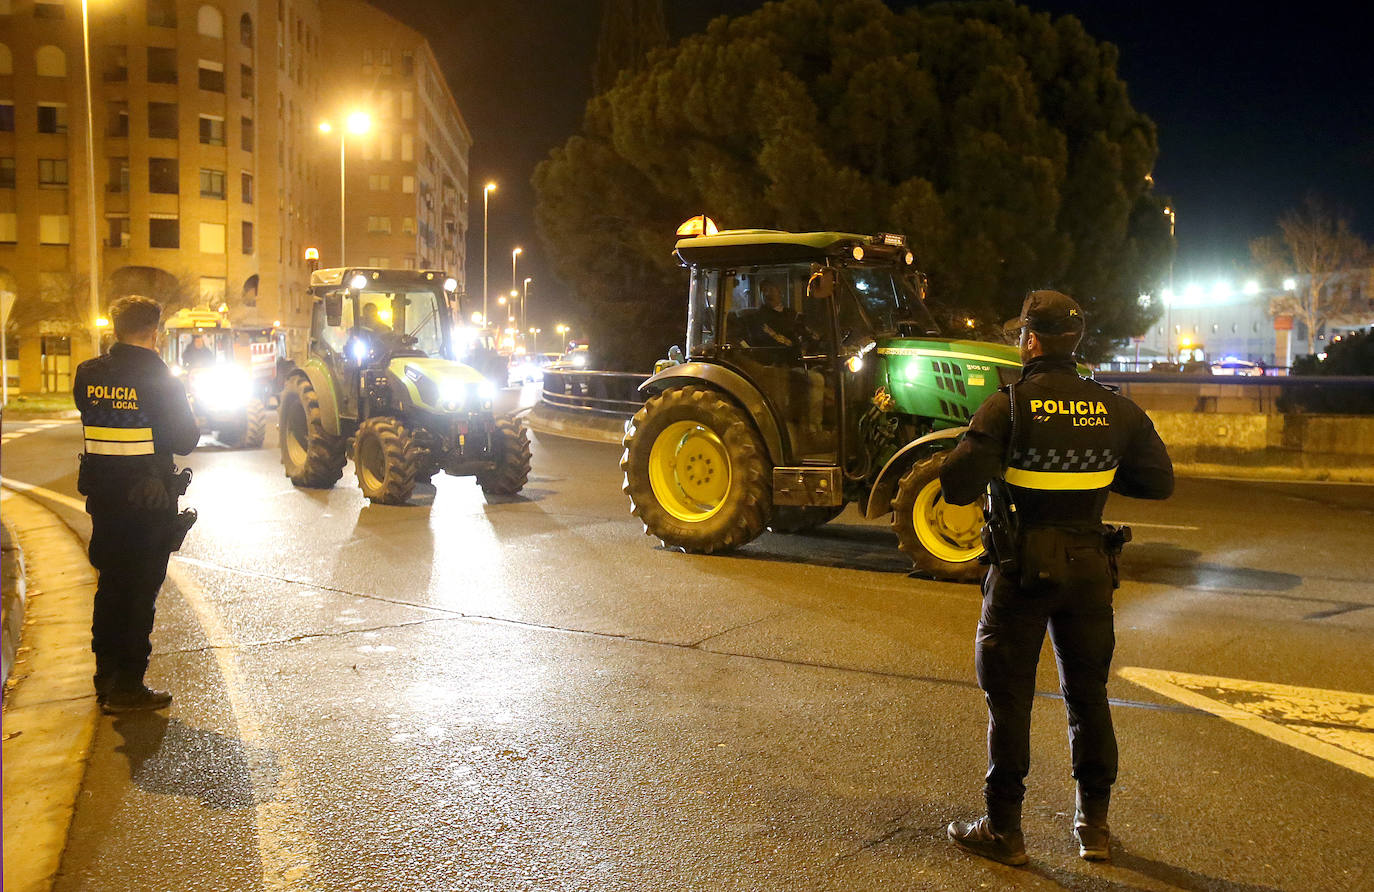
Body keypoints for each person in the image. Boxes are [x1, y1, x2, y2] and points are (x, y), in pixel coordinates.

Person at [939, 290, 1174, 866]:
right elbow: (1157, 482)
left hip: (1021, 572)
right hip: (1091, 568)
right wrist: (1094, 468)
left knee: (1010, 699)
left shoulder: (1009, 406)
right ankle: (1093, 827)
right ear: (1076, 343)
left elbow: (955, 485)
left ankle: (1004, 831)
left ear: (1030, 341)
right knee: (1088, 696)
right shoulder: (1113, 408)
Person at [73, 296, 200, 714]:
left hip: (105, 500)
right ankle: (129, 686)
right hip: (149, 503)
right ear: (154, 331)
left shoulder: (88, 374)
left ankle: (105, 680)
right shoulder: (161, 380)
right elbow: (185, 439)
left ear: (114, 328)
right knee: (139, 592)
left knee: (110, 586)